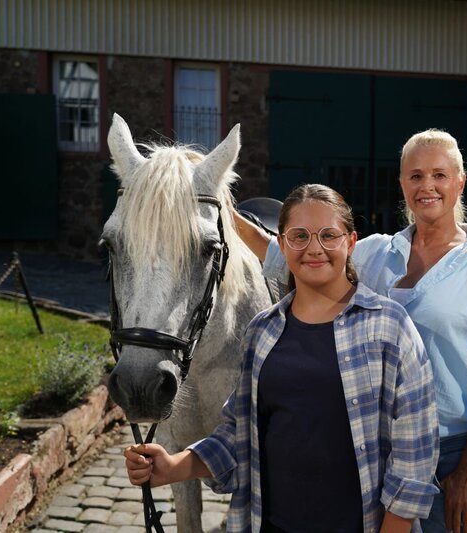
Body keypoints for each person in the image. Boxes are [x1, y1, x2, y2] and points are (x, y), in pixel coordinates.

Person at [232, 130, 467, 533]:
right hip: (369, 450)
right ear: (402, 184)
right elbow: (292, 254)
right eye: (416, 175)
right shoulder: (375, 252)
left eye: (440, 175)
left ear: (461, 181)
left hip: (450, 455)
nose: (428, 186)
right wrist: (216, 206)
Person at [125, 184, 440, 533]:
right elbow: (238, 433)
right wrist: (173, 466)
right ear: (282, 244)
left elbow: (415, 459)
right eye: (299, 236)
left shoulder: (390, 328)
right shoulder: (263, 331)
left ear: (351, 243)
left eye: (329, 235)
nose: (314, 248)